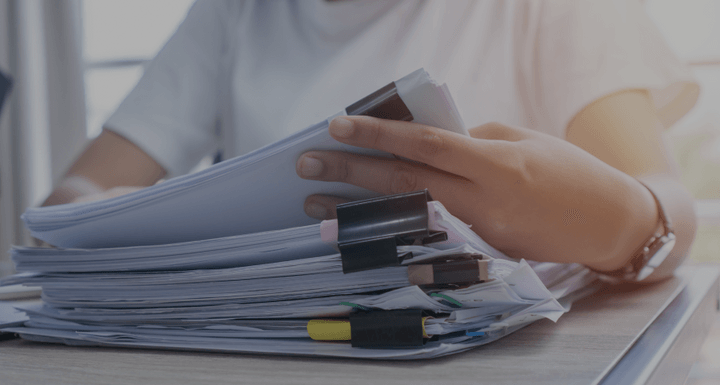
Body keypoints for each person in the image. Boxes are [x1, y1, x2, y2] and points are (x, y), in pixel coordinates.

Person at [42, 0, 699, 281]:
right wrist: (141, 217)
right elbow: (70, 199)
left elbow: (671, 204)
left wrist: (613, 222)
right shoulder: (237, 12)